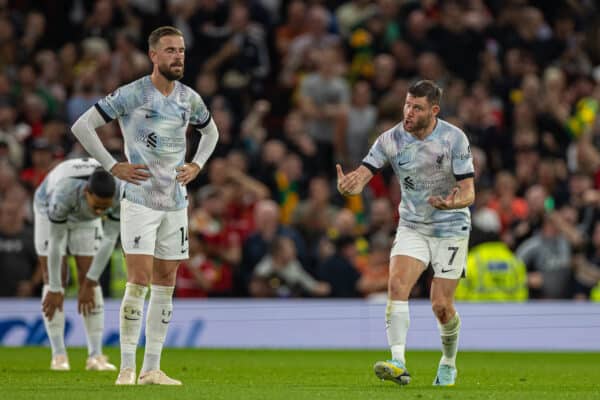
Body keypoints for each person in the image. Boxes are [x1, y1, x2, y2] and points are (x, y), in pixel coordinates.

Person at [70, 26, 219, 385]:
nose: (178, 57)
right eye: (170, 50)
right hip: (139, 200)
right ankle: (125, 368)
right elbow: (82, 126)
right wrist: (112, 165)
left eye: (181, 50)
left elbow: (211, 133)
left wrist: (197, 165)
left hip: (175, 202)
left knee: (165, 282)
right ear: (154, 56)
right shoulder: (133, 93)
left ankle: (151, 368)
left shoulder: (189, 98)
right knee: (138, 281)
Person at [336, 80, 475, 387]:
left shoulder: (454, 139)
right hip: (412, 224)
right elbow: (363, 174)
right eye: (407, 105)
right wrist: (352, 185)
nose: (409, 112)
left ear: (434, 110)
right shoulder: (390, 139)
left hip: (450, 227)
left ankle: (448, 362)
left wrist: (454, 202)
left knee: (441, 305)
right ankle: (398, 361)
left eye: (417, 108)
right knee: (397, 285)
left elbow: (469, 192)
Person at [37, 158, 121, 372]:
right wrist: (56, 289)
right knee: (55, 277)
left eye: (106, 207)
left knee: (89, 280)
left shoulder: (120, 193)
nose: (102, 212)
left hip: (85, 219)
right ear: (87, 193)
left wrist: (90, 282)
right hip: (48, 211)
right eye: (98, 206)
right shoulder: (64, 193)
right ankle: (58, 355)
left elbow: (110, 239)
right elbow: (56, 243)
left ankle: (95, 356)